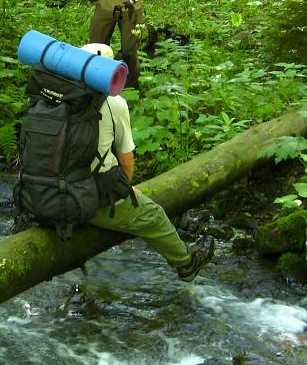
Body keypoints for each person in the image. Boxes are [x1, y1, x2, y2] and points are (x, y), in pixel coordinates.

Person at [82, 42, 214, 282]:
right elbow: (126, 157)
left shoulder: (51, 98)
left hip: (45, 195)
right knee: (152, 215)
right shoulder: (114, 102)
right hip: (90, 198)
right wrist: (125, 187)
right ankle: (186, 264)